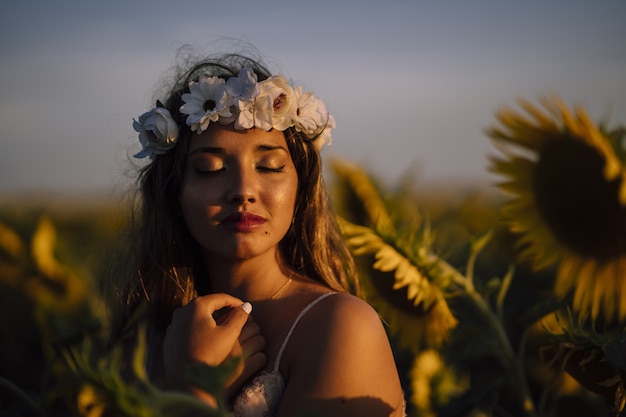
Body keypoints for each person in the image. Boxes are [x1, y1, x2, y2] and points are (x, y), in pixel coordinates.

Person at [107, 49, 405, 417]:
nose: (243, 190)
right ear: (173, 191)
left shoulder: (339, 327)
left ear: (301, 184)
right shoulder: (140, 340)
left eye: (269, 166)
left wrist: (193, 391)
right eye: (210, 168)